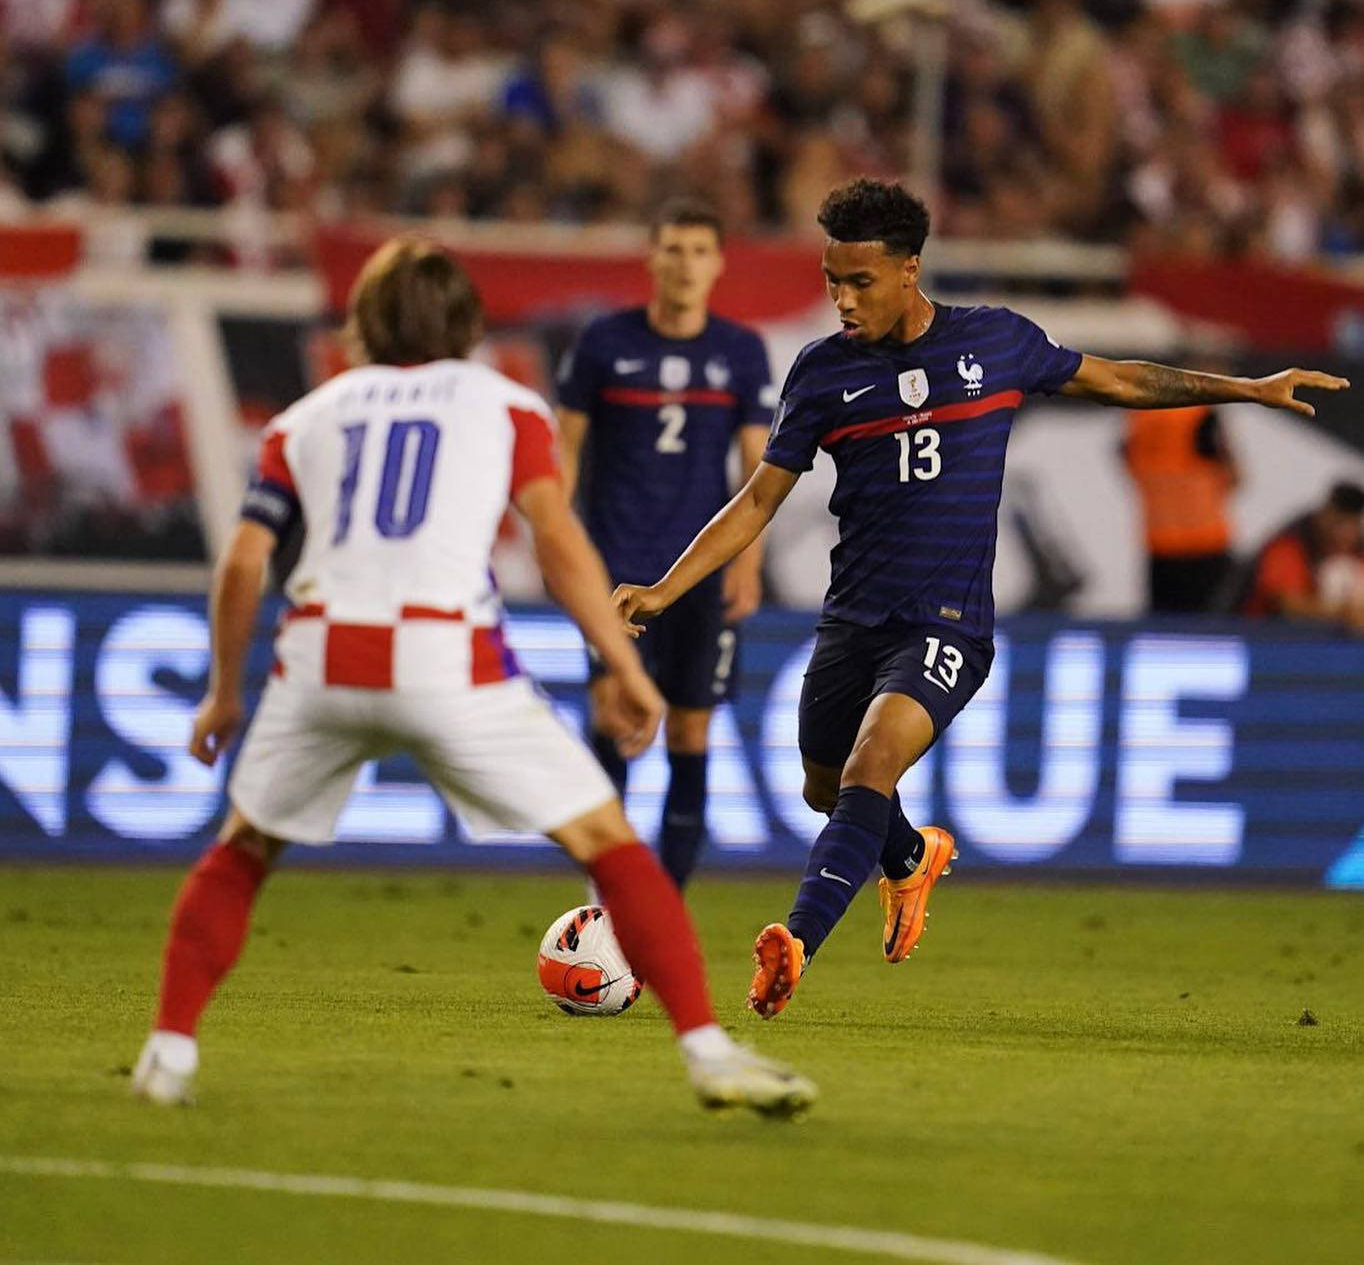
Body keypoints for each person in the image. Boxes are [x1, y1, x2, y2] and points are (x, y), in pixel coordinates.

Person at [614, 179, 1349, 1019]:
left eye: (859, 283)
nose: (842, 301)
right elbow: (756, 501)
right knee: (828, 789)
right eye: (831, 281)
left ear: (910, 271)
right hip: (852, 618)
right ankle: (908, 857)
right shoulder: (822, 374)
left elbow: (1120, 380)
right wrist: (666, 589)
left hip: (947, 624)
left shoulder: (995, 344)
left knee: (868, 766)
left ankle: (794, 944)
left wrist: (1247, 389)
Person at [132, 239, 813, 1116]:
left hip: (321, 654)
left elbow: (242, 563)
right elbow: (556, 538)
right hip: (443, 654)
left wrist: (225, 690)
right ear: (466, 324)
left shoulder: (304, 418)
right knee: (609, 841)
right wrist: (618, 657)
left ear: (365, 323)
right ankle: (709, 1052)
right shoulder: (504, 406)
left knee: (242, 850)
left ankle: (168, 1051)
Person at [556, 198, 774, 887]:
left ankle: (664, 908)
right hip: (613, 563)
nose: (685, 265)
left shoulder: (740, 352)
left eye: (698, 251)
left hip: (701, 573)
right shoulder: (602, 344)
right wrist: (563, 552)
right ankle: (607, 899)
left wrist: (749, 561)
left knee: (690, 732)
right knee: (612, 715)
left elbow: (758, 472)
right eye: (672, 249)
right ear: (651, 257)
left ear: (719, 264)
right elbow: (563, 455)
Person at [1123, 400, 1240, 612]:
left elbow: (1128, 462)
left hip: (1160, 547)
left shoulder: (1138, 417)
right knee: (1212, 636)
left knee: (1164, 635)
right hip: (1206, 545)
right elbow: (1236, 478)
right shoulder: (1200, 414)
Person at [1243, 480, 1364, 632]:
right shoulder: (1289, 545)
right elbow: (1288, 604)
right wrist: (1343, 612)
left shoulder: (1357, 551)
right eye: (1339, 523)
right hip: (1267, 639)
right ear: (1324, 514)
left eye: (1352, 525)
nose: (1344, 534)